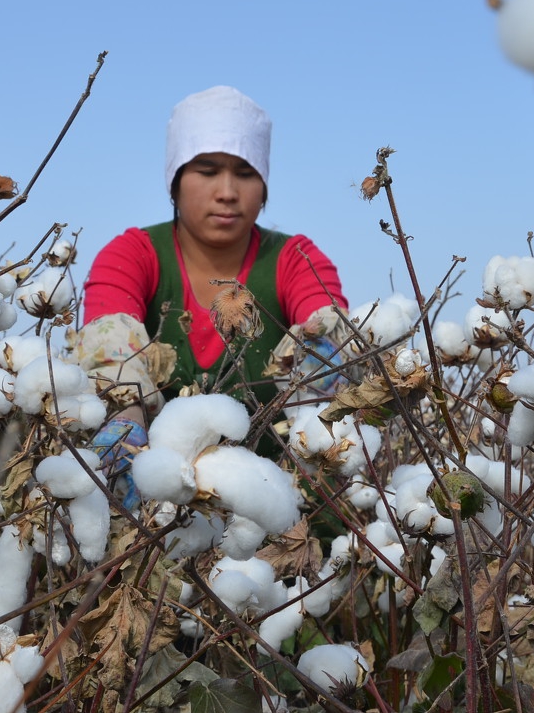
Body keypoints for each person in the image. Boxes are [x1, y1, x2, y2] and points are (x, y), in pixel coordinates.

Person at [77, 87, 349, 496]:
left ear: (264, 185)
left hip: (283, 507)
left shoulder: (295, 259)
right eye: (206, 171)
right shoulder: (133, 254)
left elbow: (329, 336)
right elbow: (106, 342)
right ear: (175, 181)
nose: (227, 191)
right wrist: (125, 426)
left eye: (245, 173)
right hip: (157, 510)